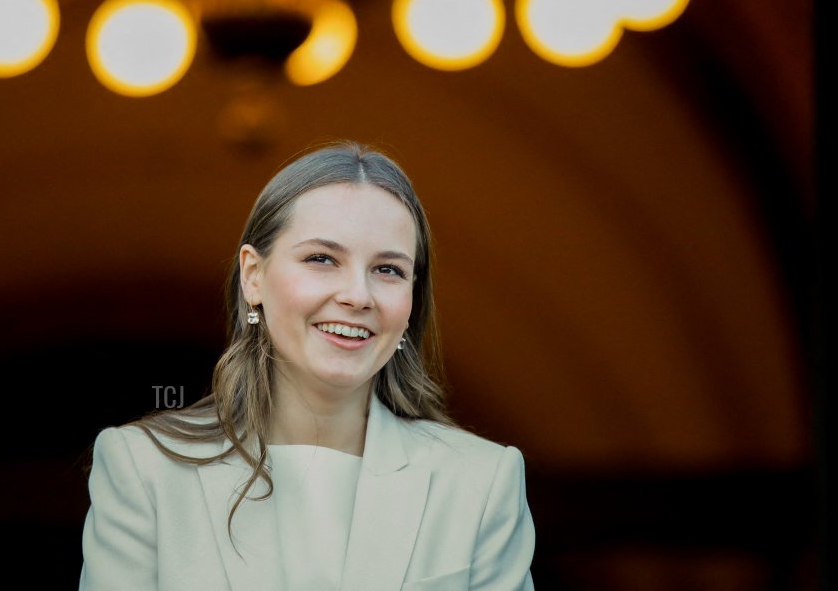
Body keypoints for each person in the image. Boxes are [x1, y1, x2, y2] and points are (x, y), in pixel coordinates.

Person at [78, 140, 536, 590]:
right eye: (322, 259)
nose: (357, 295)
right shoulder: (144, 469)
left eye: (388, 270)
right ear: (253, 276)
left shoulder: (481, 482)